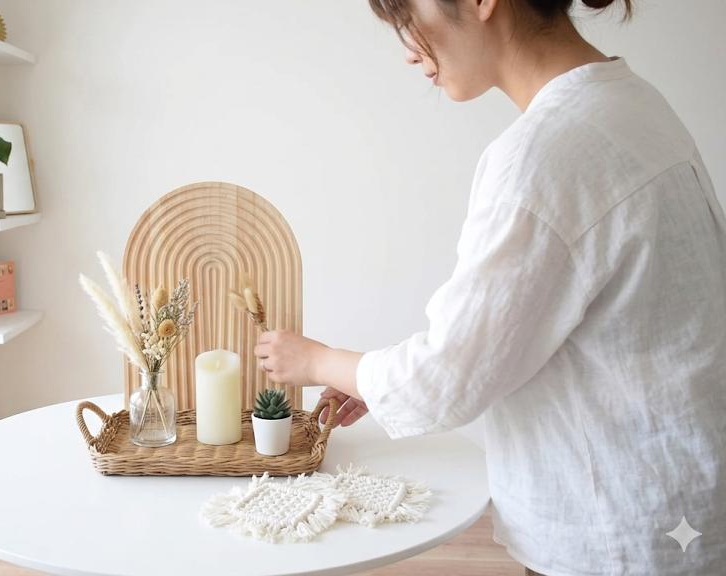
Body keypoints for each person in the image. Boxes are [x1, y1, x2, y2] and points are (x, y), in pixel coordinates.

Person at [253, 1, 726, 574]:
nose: (408, 51)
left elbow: (445, 379)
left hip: (617, 537)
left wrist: (318, 361)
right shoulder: (630, 104)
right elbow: (532, 331)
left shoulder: (545, 154)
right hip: (680, 507)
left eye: (406, 15)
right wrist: (372, 376)